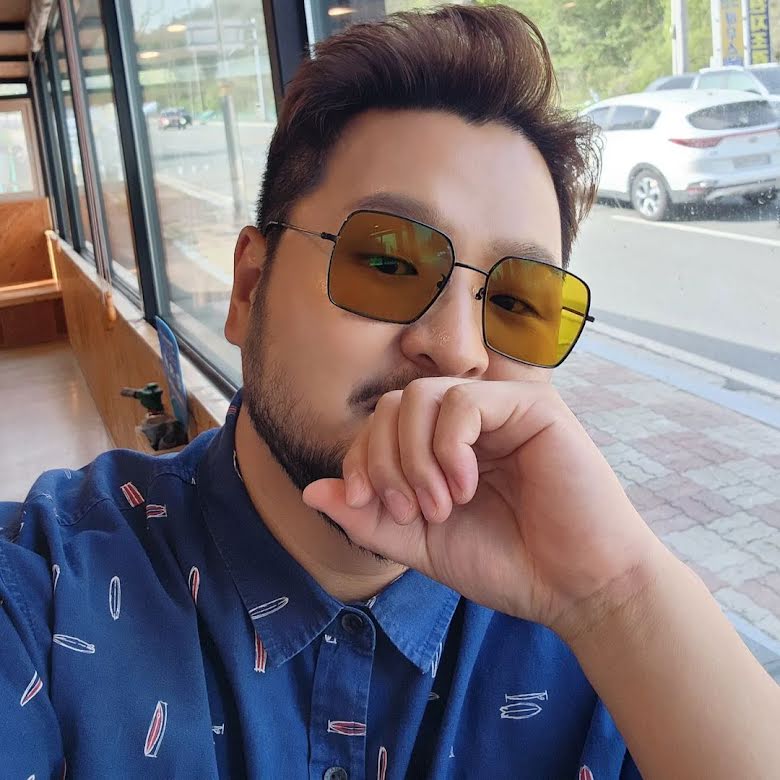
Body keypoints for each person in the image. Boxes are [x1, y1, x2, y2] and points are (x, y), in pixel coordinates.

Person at [1, 5, 777, 778]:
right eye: (389, 263)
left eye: (517, 303)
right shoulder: (43, 597)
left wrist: (616, 598)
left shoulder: (613, 641)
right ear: (248, 289)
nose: (457, 348)